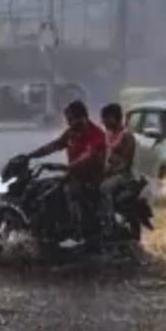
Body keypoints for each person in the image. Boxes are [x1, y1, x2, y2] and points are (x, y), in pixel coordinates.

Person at [25, 100, 107, 243]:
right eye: (67, 120)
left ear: (82, 118)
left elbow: (88, 156)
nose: (68, 123)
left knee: (65, 193)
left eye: (71, 120)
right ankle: (45, 229)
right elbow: (55, 145)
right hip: (73, 175)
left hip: (91, 179)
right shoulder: (71, 133)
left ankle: (80, 229)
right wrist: (30, 156)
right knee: (39, 188)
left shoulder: (96, 134)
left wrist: (66, 167)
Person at [100, 103, 136, 235]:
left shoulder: (127, 136)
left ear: (114, 118)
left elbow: (126, 164)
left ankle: (109, 225)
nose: (103, 121)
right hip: (107, 172)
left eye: (105, 118)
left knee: (103, 189)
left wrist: (108, 172)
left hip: (122, 176)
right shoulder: (107, 133)